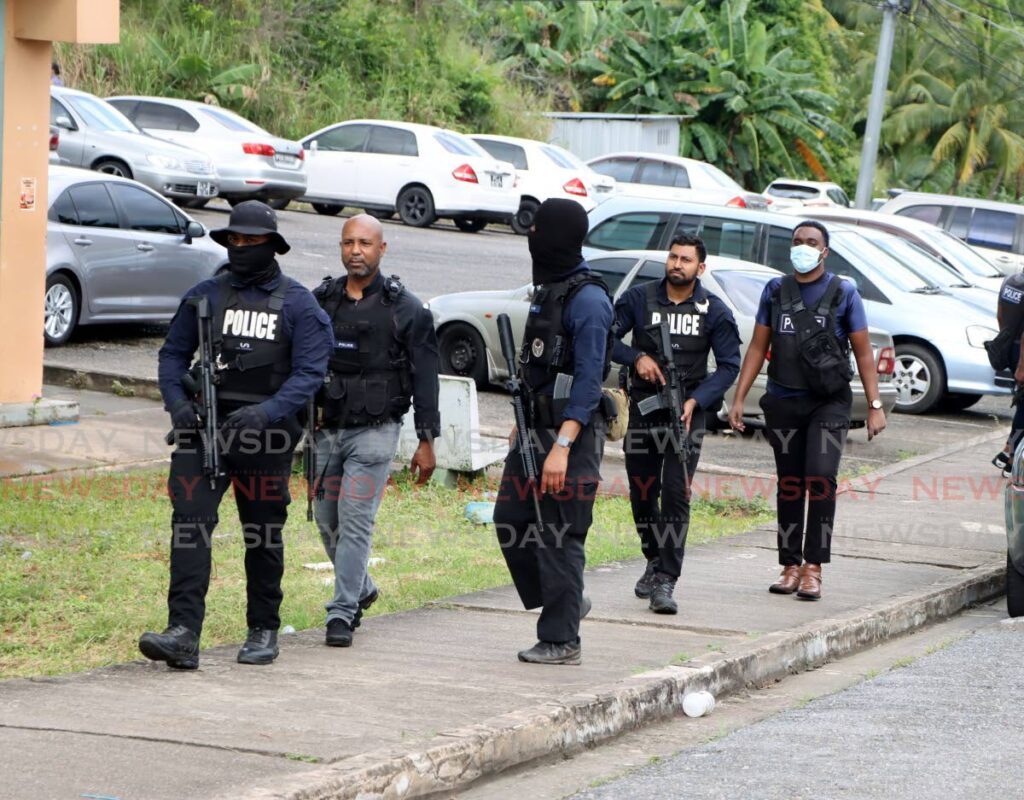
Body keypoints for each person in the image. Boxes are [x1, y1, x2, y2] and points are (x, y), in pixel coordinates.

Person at [140, 201, 333, 669]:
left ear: (272, 246)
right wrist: (179, 405)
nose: (242, 249)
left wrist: (266, 413)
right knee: (189, 525)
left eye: (252, 242)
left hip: (264, 436)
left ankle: (263, 627)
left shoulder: (298, 304)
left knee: (262, 531)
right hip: (204, 428)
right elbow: (171, 356)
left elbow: (310, 373)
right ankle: (183, 633)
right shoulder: (204, 295)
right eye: (236, 242)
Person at [728, 220, 886, 600]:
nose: (802, 247)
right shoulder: (775, 290)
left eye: (811, 242)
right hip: (784, 400)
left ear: (824, 251)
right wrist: (738, 398)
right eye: (797, 241)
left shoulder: (844, 293)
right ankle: (789, 565)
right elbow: (756, 348)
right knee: (790, 484)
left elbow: (864, 354)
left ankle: (814, 567)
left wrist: (876, 405)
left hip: (829, 402)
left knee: (819, 477)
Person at [493, 198, 614, 666]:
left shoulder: (588, 299)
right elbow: (538, 367)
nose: (532, 238)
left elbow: (588, 381)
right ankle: (567, 600)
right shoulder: (550, 290)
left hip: (572, 436)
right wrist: (520, 424)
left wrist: (561, 446)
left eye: (540, 230)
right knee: (510, 518)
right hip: (533, 429)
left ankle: (562, 639)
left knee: (558, 536)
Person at [311, 214, 439, 648]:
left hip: (376, 432)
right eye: (348, 243)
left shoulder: (406, 308)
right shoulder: (323, 300)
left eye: (365, 243)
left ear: (382, 249)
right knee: (327, 521)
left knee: (355, 520)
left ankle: (343, 611)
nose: (355, 251)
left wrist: (427, 440)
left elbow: (426, 377)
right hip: (328, 430)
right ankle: (362, 586)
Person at [611, 234, 741, 614]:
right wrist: (637, 358)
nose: (677, 264)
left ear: (700, 268)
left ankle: (666, 578)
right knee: (641, 489)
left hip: (687, 412)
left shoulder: (714, 310)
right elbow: (605, 336)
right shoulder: (639, 299)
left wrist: (697, 400)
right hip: (645, 408)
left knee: (675, 493)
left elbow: (729, 364)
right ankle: (653, 555)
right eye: (673, 257)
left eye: (686, 259)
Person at [992, 270, 1024, 476]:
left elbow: (1000, 315)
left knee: (1022, 405)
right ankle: (1012, 460)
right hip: (1022, 353)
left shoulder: (1011, 281)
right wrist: (1022, 366)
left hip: (1011, 347)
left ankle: (1007, 452)